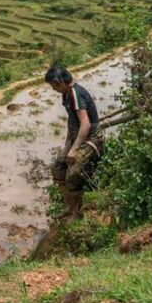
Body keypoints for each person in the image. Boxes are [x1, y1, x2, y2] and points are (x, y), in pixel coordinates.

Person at [45, 65, 102, 220]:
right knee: (58, 168)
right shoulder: (67, 94)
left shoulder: (76, 94)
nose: (53, 89)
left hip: (90, 138)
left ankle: (78, 213)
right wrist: (69, 145)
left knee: (73, 174)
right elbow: (73, 122)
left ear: (61, 82)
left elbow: (85, 124)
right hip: (76, 137)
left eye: (54, 86)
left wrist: (74, 149)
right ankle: (69, 207)